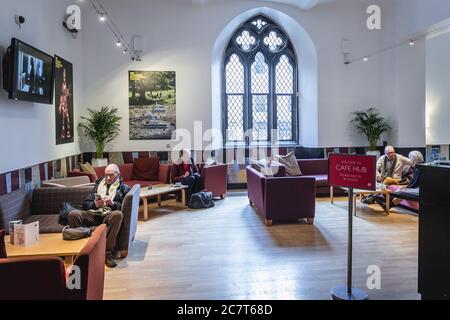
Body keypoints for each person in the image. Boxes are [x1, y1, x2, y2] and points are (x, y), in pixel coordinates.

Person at [68, 164, 130, 268]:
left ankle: (107, 252)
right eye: (106, 175)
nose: (108, 178)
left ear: (118, 174)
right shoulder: (99, 185)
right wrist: (94, 204)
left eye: (111, 175)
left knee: (117, 215)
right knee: (73, 214)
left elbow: (124, 208)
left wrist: (113, 203)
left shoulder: (124, 188)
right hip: (93, 213)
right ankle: (80, 251)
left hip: (108, 214)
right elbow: (86, 203)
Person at [59, 68, 71, 140]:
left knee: (68, 119)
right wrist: (60, 105)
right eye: (63, 77)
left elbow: (66, 94)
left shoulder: (66, 86)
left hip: (65, 105)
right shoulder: (62, 86)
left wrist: (68, 92)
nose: (64, 79)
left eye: (65, 77)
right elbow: (62, 95)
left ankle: (68, 133)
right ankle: (63, 133)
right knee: (63, 119)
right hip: (63, 105)